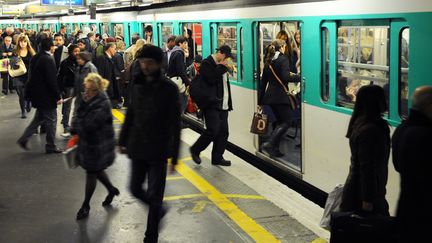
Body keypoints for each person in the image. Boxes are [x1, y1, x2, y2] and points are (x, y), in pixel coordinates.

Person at [118, 45, 181, 243]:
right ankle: (159, 210)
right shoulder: (136, 83)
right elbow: (131, 113)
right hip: (137, 145)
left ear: (159, 64)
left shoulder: (169, 88)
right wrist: (122, 139)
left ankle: (150, 236)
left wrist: (175, 157)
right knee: (135, 188)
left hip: (159, 148)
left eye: (149, 62)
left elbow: (175, 124)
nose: (144, 66)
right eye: (142, 62)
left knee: (155, 195)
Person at [71, 73, 118, 220]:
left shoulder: (103, 102)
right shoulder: (87, 98)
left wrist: (76, 126)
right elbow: (78, 115)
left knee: (92, 172)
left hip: (99, 145)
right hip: (89, 143)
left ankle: (86, 205)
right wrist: (77, 123)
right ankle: (111, 190)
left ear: (97, 90)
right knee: (96, 170)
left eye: (89, 90)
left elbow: (90, 124)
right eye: (86, 89)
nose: (86, 92)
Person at [340, 85, 390, 216]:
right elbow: (367, 168)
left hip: (360, 190)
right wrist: (367, 200)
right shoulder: (371, 130)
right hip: (364, 195)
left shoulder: (360, 123)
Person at [392, 86, 432, 243]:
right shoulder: (426, 135)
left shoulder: (402, 129)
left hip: (406, 207)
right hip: (424, 213)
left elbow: (397, 165)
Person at [189, 45, 234, 166]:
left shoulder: (222, 66)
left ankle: (217, 157)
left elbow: (225, 84)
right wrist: (222, 66)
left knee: (224, 132)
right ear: (220, 53)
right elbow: (211, 79)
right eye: (225, 57)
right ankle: (195, 149)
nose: (226, 59)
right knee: (213, 130)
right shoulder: (206, 63)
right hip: (210, 103)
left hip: (223, 103)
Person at [17, 37, 63, 154]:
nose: (55, 47)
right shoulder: (48, 59)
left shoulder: (36, 57)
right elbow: (51, 80)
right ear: (50, 47)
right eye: (53, 45)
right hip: (46, 96)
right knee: (52, 120)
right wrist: (57, 96)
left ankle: (23, 138)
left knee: (38, 119)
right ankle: (51, 146)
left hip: (37, 94)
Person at [258, 39, 300, 157]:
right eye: (284, 46)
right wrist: (300, 77)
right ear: (282, 47)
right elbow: (286, 77)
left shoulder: (268, 62)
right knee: (287, 122)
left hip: (269, 98)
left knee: (280, 121)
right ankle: (270, 144)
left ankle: (274, 149)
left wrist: (260, 101)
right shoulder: (283, 59)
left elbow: (263, 84)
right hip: (280, 97)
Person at [11, 34, 36, 118]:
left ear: (27, 42)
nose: (23, 43)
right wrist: (14, 61)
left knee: (28, 92)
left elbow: (35, 64)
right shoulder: (15, 51)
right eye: (21, 41)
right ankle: (23, 111)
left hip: (29, 75)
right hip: (18, 75)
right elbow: (11, 65)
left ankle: (28, 102)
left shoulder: (31, 51)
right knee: (21, 94)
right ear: (18, 42)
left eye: (24, 41)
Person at [57, 44, 80, 137]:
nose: (77, 53)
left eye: (78, 51)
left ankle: (77, 126)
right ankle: (66, 126)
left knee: (78, 106)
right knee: (67, 107)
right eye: (75, 51)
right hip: (68, 86)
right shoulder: (65, 63)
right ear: (70, 52)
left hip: (79, 86)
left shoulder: (81, 61)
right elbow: (60, 76)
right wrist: (61, 89)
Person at [167, 36, 190, 114]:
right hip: (178, 81)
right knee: (182, 101)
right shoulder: (179, 53)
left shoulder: (174, 51)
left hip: (173, 79)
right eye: (185, 43)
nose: (186, 45)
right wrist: (187, 82)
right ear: (180, 44)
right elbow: (180, 70)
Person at [96, 42, 121, 108]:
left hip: (109, 87)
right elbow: (100, 73)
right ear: (110, 48)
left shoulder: (109, 58)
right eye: (114, 49)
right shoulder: (102, 58)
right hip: (105, 87)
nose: (115, 51)